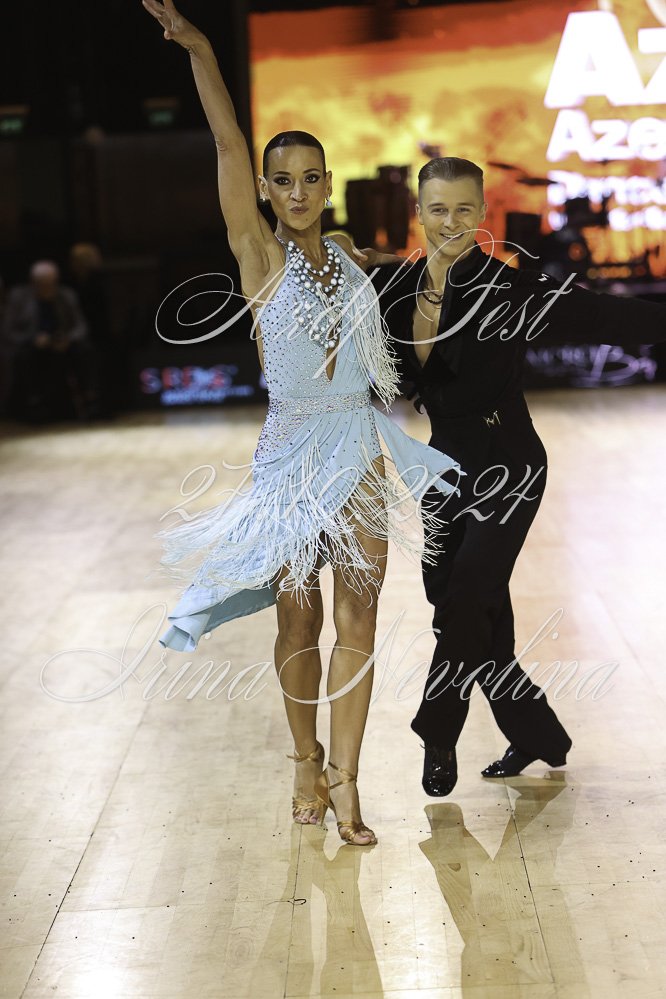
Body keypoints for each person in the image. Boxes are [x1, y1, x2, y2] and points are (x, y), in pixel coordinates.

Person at [141, 0, 462, 845]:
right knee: (299, 618)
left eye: (310, 178)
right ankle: (304, 760)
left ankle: (348, 783)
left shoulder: (350, 257)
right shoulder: (258, 256)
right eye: (281, 180)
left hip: (358, 445)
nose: (296, 192)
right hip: (291, 455)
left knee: (360, 618)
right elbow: (227, 144)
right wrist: (201, 49)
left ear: (326, 183)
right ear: (265, 190)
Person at [371, 156, 666, 796]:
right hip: (442, 468)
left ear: (483, 214)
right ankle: (538, 736)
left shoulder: (510, 289)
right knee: (465, 610)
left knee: (464, 598)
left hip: (508, 464)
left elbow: (608, 316)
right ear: (418, 214)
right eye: (438, 209)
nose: (451, 222)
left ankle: (437, 729)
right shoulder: (394, 288)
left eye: (464, 209)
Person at [3, 260, 98, 422]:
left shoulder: (66, 295)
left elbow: (81, 326)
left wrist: (68, 339)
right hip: (32, 345)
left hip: (62, 342)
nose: (47, 288)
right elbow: (8, 331)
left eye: (51, 284)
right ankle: (35, 404)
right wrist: (32, 339)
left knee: (84, 350)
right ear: (33, 283)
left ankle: (90, 400)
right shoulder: (19, 297)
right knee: (25, 356)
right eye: (42, 284)